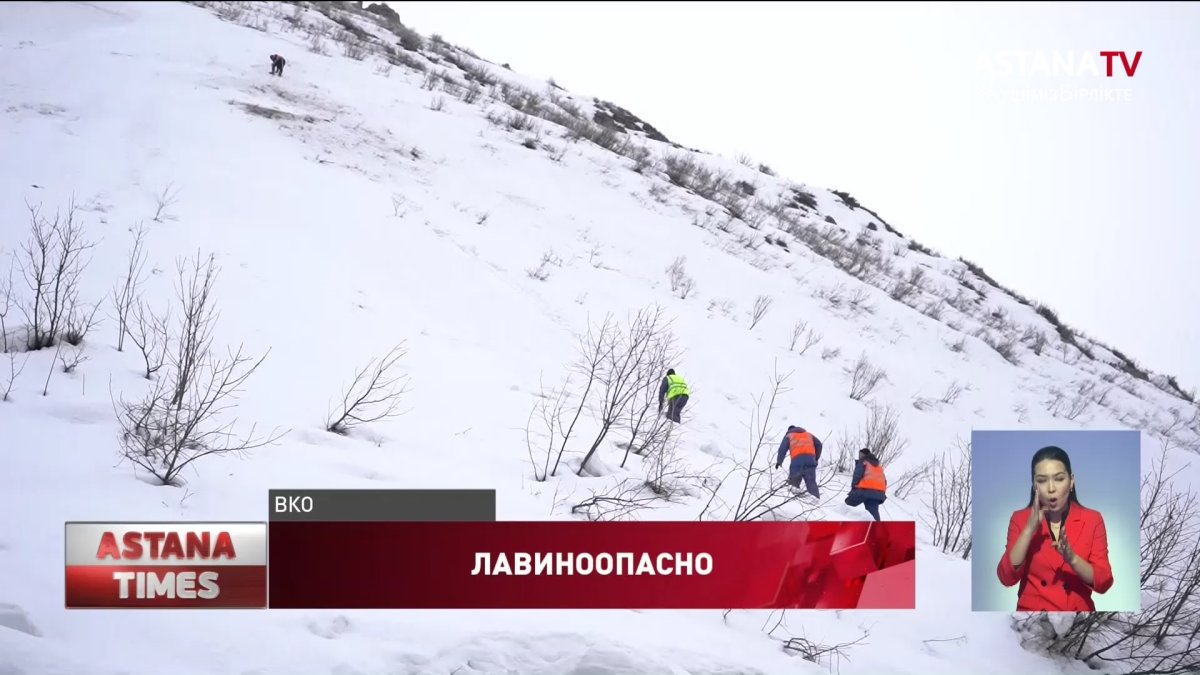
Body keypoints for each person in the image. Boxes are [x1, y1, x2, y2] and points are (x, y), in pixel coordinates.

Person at [996, 445, 1114, 612]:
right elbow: (1006, 577)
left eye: (1059, 479)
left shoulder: (1092, 519)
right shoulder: (1020, 519)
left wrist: (1072, 559)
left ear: (1071, 480)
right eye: (1042, 480)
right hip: (1032, 618)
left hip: (1077, 616)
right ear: (1034, 485)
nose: (1051, 488)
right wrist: (1028, 531)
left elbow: (1104, 582)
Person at [775, 425, 822, 498]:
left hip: (797, 460)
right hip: (810, 459)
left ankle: (793, 502)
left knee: (794, 483)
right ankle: (816, 501)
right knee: (811, 483)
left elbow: (782, 449)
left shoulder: (789, 435)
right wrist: (815, 458)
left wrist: (779, 461)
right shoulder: (808, 434)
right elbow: (819, 445)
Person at [844, 448, 887, 521]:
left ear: (864, 455)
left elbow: (857, 476)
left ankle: (840, 519)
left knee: (848, 505)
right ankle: (877, 528)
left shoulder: (863, 462)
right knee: (873, 513)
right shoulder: (879, 467)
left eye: (860, 454)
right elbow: (885, 481)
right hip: (878, 494)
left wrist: (853, 489)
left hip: (864, 491)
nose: (859, 456)